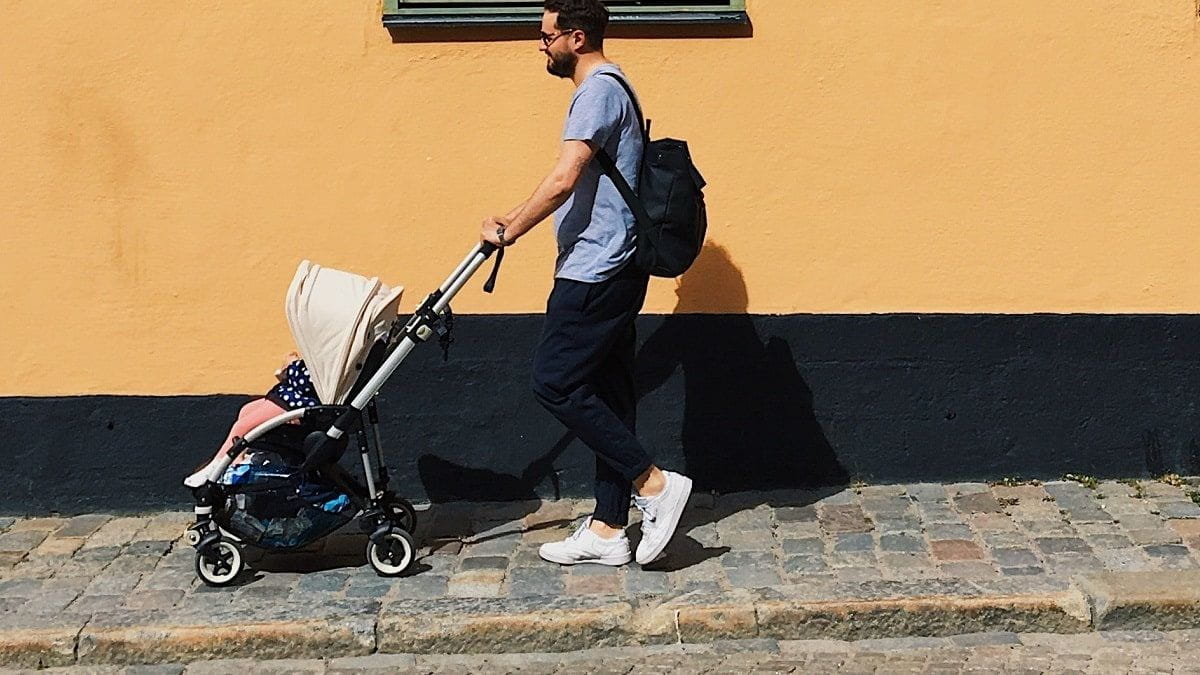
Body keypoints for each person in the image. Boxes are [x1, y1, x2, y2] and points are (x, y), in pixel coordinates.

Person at [479, 0, 692, 567]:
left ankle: (654, 485)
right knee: (611, 392)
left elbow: (563, 178)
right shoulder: (618, 86)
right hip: (620, 265)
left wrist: (510, 230)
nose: (540, 46)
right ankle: (607, 529)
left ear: (576, 38)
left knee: (554, 382)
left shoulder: (596, 91)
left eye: (546, 36)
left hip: (595, 267)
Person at [183, 352, 319, 488]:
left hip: (300, 402)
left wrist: (292, 366)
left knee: (242, 428)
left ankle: (215, 468)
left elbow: (306, 381)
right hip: (293, 396)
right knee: (246, 410)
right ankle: (237, 462)